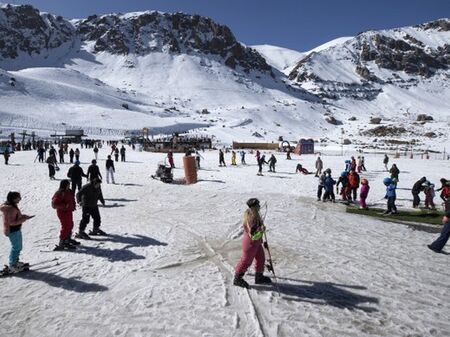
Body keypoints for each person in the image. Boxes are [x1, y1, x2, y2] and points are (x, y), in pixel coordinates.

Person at [233, 198, 272, 288]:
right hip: (250, 244)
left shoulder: (256, 215)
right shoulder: (251, 218)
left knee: (261, 258)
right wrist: (261, 231)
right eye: (257, 205)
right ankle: (237, 278)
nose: (259, 207)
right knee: (246, 261)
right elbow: (253, 236)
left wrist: (261, 228)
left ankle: (259, 276)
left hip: (257, 243)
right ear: (253, 207)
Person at [1, 192, 34, 272]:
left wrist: (23, 217)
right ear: (13, 198)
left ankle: (15, 262)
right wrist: (23, 219)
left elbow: (14, 218)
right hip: (13, 230)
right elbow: (11, 222)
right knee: (16, 247)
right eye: (18, 197)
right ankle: (12, 264)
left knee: (17, 247)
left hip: (13, 230)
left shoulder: (10, 206)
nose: (20, 199)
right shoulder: (11, 209)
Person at [52, 180, 78, 250]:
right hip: (62, 212)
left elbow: (72, 199)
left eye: (69, 184)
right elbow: (54, 204)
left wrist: (73, 206)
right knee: (66, 226)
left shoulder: (69, 191)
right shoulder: (60, 193)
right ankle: (62, 242)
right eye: (68, 184)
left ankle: (67, 239)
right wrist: (65, 206)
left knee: (70, 225)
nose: (69, 186)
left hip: (69, 211)